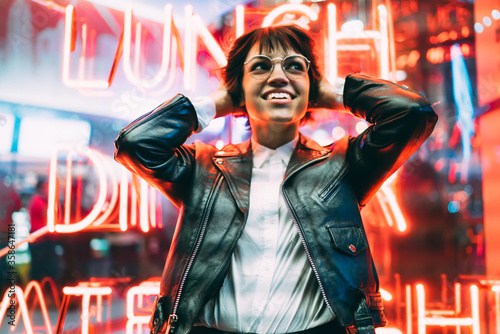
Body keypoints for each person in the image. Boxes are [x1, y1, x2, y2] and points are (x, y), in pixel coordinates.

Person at [114, 25, 438, 334]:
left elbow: (412, 113)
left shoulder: (344, 164)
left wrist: (328, 92)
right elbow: (136, 144)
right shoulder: (203, 168)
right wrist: (223, 100)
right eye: (260, 67)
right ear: (238, 86)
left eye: (295, 67)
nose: (280, 76)